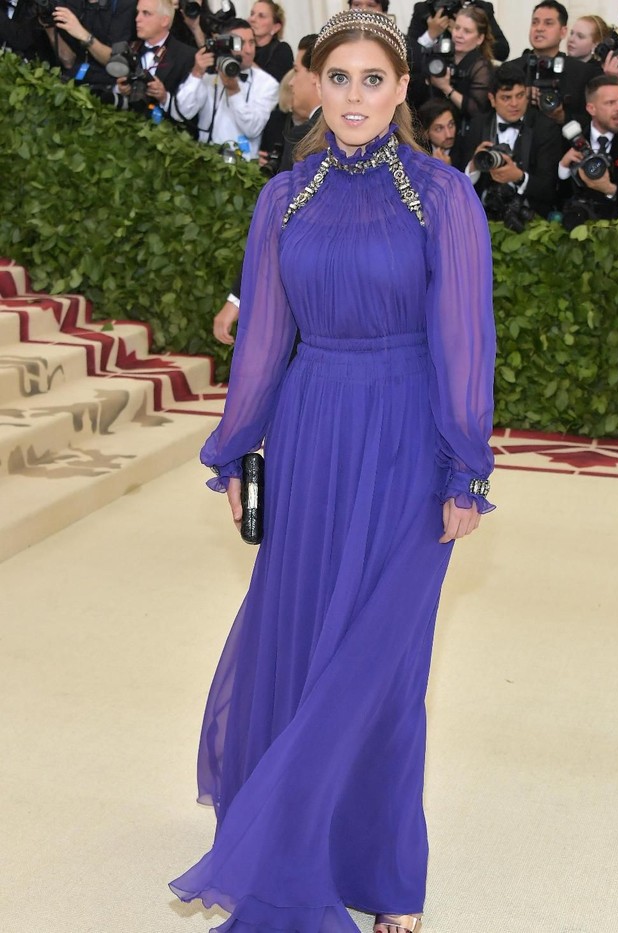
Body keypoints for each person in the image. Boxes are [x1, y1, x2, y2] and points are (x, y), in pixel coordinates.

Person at [169, 10, 495, 933]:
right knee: (308, 642)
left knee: (382, 662)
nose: (354, 97)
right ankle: (295, 847)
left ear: (400, 91)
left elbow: (464, 335)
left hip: (404, 434)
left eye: (372, 81)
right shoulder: (285, 196)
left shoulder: (441, 196)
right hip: (312, 434)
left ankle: (385, 873)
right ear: (313, 84)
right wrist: (235, 442)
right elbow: (266, 336)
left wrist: (465, 462)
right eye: (338, 79)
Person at [557, 74, 618, 227]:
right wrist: (563, 168)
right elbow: (556, 197)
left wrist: (610, 189)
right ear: (591, 108)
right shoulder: (569, 141)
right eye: (610, 103)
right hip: (578, 231)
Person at [464, 63, 562, 219]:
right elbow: (461, 184)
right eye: (506, 98)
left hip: (530, 221)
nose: (515, 104)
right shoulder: (478, 125)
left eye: (520, 95)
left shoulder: (545, 128)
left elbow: (550, 189)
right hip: (482, 217)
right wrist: (474, 166)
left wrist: (519, 177)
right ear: (492, 99)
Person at [173, 16, 279, 154]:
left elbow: (253, 129)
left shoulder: (267, 84)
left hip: (243, 167)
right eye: (240, 43)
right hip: (206, 161)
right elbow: (181, 113)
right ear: (224, 44)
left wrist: (234, 91)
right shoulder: (209, 76)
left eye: (252, 43)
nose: (248, 50)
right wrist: (196, 74)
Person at [507, 1, 598, 126]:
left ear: (563, 31)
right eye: (535, 22)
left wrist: (562, 117)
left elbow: (594, 122)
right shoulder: (511, 69)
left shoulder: (583, 73)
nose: (539, 28)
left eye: (548, 23)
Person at [427, 4, 495, 135]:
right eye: (457, 28)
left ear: (480, 39)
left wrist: (446, 88)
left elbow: (476, 110)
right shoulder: (441, 56)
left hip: (465, 134)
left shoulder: (482, 67)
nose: (459, 35)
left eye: (467, 31)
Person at [417, 97, 469, 169]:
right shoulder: (417, 152)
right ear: (425, 134)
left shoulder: (466, 149)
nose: (449, 135)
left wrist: (447, 168)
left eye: (451, 125)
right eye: (439, 129)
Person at [248, 0, 292, 82]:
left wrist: (244, 58)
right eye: (252, 14)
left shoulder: (282, 49)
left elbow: (272, 84)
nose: (252, 19)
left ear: (275, 27)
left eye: (261, 16)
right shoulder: (244, 48)